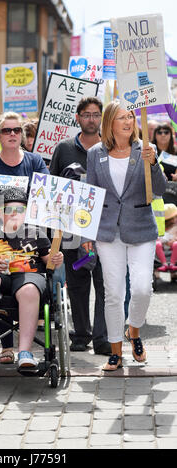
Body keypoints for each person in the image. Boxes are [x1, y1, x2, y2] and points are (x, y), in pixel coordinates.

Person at [82, 100, 167, 371]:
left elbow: (161, 190)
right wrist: (86, 233)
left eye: (130, 116)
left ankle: (135, 330)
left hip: (141, 229)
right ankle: (115, 351)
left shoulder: (145, 149)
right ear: (110, 123)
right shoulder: (96, 153)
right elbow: (90, 195)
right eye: (121, 117)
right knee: (113, 293)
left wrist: (153, 163)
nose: (128, 121)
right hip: (107, 232)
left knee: (142, 288)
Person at [0, 111, 49, 364]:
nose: (13, 134)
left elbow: (44, 197)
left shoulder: (35, 162)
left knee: (35, 278)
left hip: (28, 235)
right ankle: (6, 344)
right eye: (7, 130)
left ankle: (25, 350)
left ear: (23, 135)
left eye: (17, 130)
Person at [0, 187, 63, 368]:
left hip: (29, 277)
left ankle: (24, 352)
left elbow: (50, 262)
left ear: (26, 212)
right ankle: (7, 345)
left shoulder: (36, 233)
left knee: (28, 290)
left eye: (19, 210)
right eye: (8, 210)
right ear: (0, 213)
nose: (13, 214)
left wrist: (57, 258)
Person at [49, 96, 111, 355]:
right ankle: (82, 334)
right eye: (86, 114)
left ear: (101, 118)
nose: (91, 119)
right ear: (77, 117)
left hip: (104, 228)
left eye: (96, 114)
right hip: (73, 230)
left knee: (104, 282)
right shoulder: (63, 149)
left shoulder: (110, 146)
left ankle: (102, 337)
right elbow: (51, 186)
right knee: (77, 282)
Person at [156, 203, 177, 272]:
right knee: (157, 244)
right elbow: (158, 237)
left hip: (172, 246)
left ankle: (172, 264)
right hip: (162, 247)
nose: (175, 220)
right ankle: (164, 264)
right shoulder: (160, 228)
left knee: (176, 244)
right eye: (172, 218)